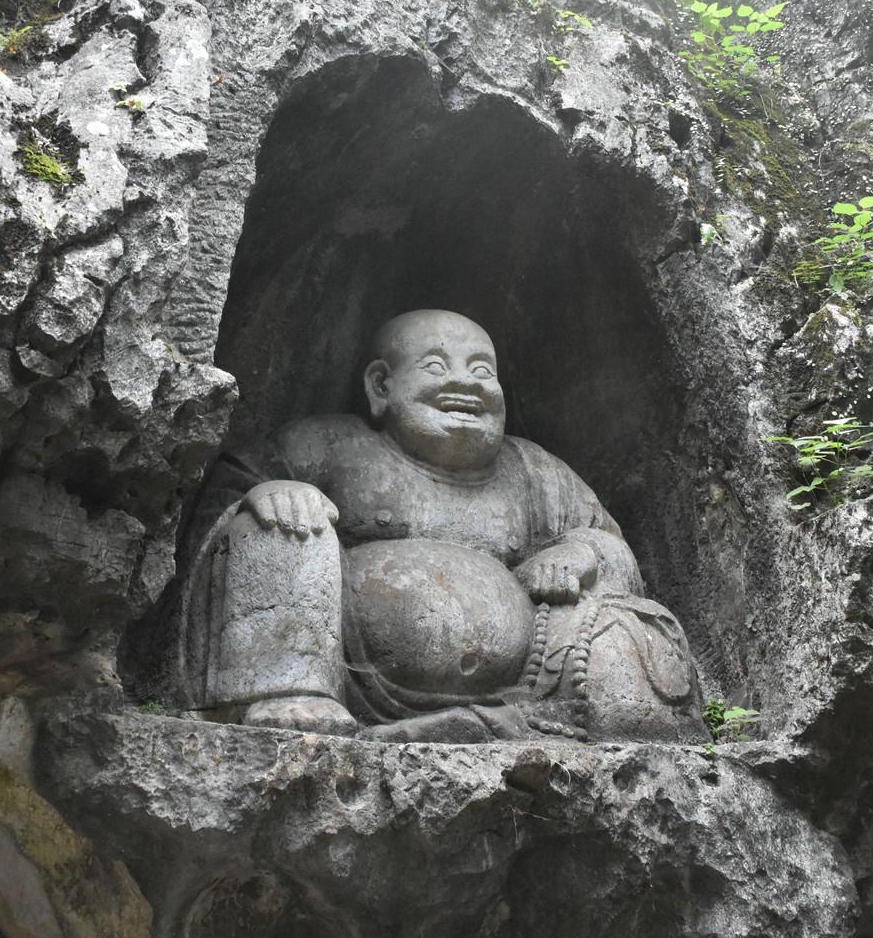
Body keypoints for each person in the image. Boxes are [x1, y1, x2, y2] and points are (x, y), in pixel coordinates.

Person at [162, 310, 703, 742]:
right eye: (437, 368)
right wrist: (270, 492)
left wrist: (584, 552)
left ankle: (518, 725)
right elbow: (218, 507)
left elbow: (616, 550)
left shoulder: (537, 471)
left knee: (633, 622)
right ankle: (289, 692)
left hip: (527, 681)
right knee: (276, 523)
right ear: (381, 386)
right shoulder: (327, 444)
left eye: (482, 370)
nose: (465, 384)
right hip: (352, 673)